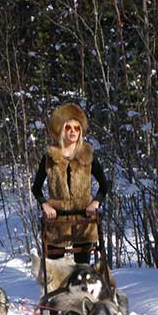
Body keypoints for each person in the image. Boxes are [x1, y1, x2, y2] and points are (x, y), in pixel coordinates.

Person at [32, 102, 109, 264]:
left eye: (77, 127)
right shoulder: (50, 158)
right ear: (60, 129)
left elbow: (104, 184)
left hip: (84, 219)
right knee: (55, 269)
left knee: (83, 269)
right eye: (68, 127)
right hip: (57, 220)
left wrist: (95, 203)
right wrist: (45, 205)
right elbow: (36, 188)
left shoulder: (87, 155)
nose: (73, 131)